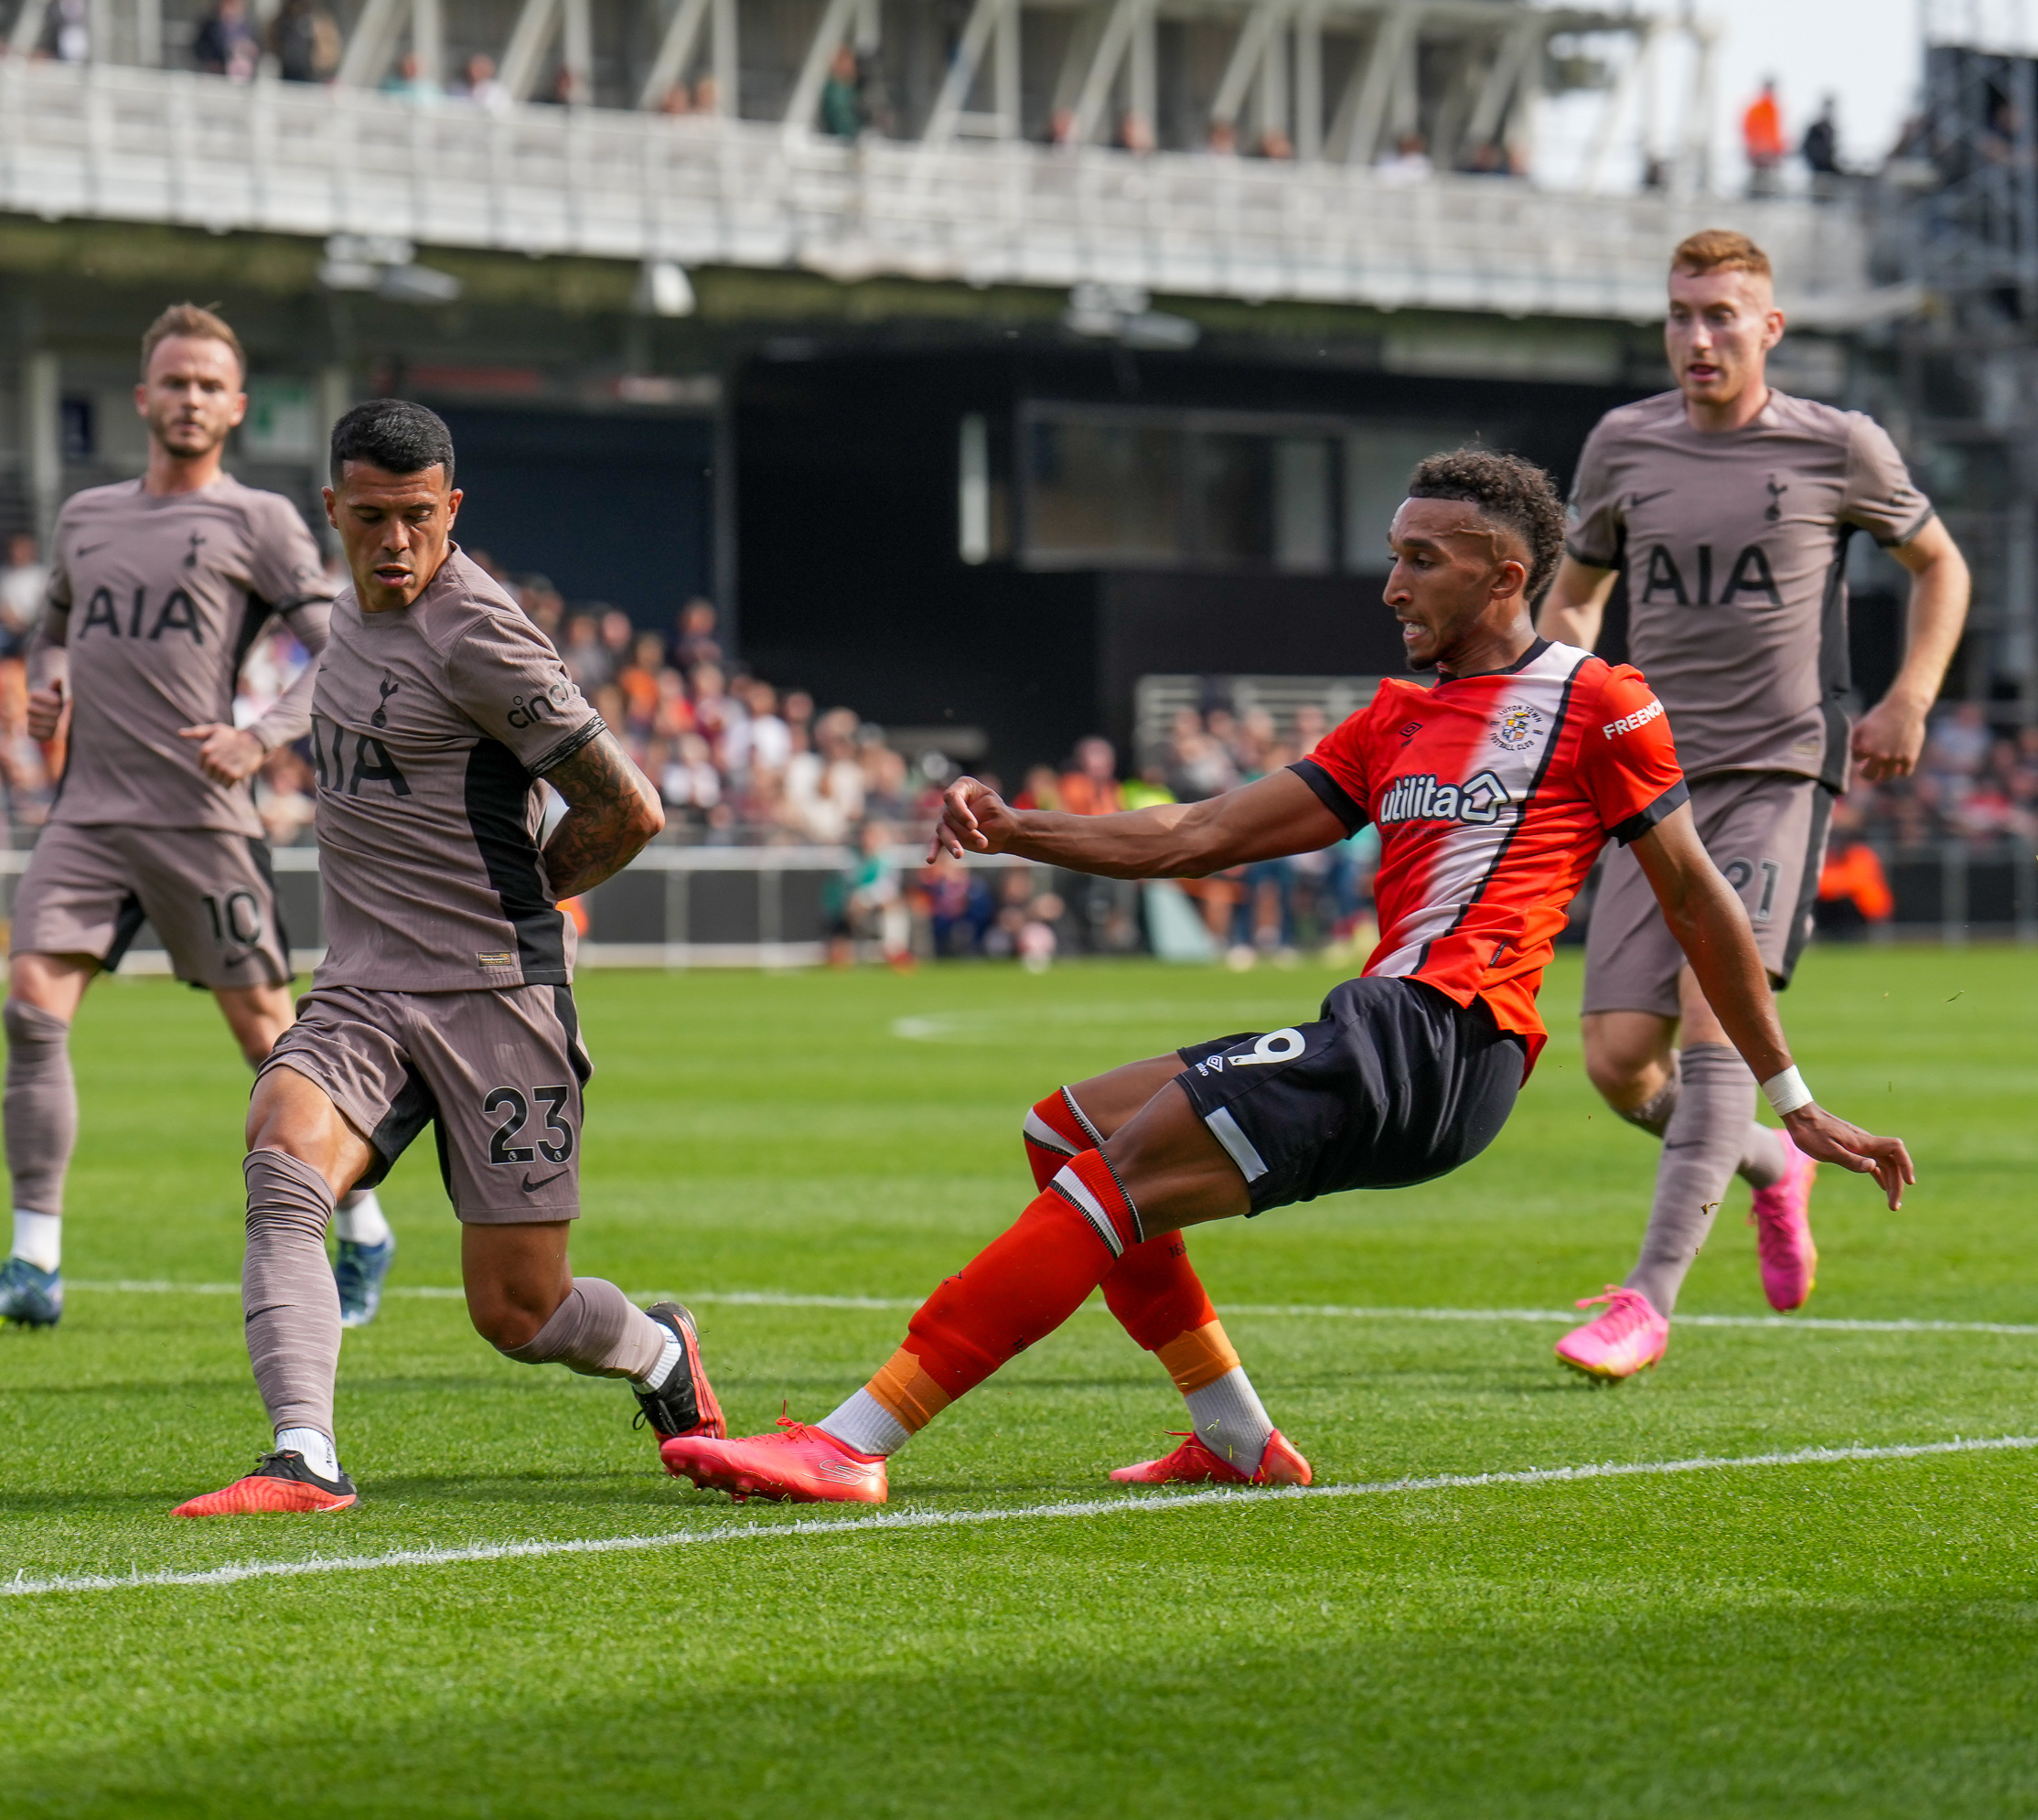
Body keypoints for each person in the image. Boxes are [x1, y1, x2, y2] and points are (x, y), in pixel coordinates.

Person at [660, 450, 1912, 1505]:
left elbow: (1695, 898)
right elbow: (1197, 835)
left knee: (1115, 1182)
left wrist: (1791, 1097)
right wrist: (1019, 826)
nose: (1392, 583)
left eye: (1424, 557)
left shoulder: (1599, 704)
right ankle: (1234, 1437)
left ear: (1508, 574)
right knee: (1069, 1132)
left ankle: (849, 1443)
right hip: (1384, 1024)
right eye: (1395, 551)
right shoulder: (1391, 722)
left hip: (1446, 1040)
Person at [174, 399, 718, 1516]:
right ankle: (303, 1454)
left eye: (417, 517)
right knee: (281, 1146)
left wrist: (513, 901)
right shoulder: (344, 618)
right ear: (332, 511)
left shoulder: (482, 634)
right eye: (370, 516)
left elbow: (630, 809)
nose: (394, 542)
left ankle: (660, 1350)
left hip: (493, 996)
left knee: (520, 1311)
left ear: (451, 508)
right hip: (364, 990)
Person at [1538, 230, 1968, 1380]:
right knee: (1620, 1062)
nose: (1698, 336)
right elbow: (1576, 600)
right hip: (1646, 778)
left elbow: (1943, 565)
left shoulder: (1839, 446)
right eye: (1682, 314)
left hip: (1780, 768)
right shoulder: (1624, 444)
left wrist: (1909, 698)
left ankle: (1648, 1297)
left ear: (1769, 328)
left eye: (1722, 314)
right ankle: (1777, 1168)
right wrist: (1546, 683)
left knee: (1713, 1012)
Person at [0, 305, 403, 1333]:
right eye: (174, 382)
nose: (190, 399)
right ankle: (33, 1262)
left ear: (235, 407)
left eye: (209, 385)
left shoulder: (262, 521)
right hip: (88, 812)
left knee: (270, 1037)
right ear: (143, 396)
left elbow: (343, 648)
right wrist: (46, 684)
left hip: (202, 816)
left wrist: (263, 733)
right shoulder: (89, 517)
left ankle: (364, 1222)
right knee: (29, 1010)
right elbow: (52, 630)